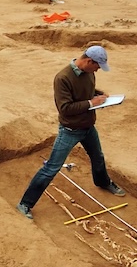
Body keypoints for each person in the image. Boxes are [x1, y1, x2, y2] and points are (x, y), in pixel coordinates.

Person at [16, 46, 126, 220]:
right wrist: (92, 102)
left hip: (88, 127)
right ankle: (25, 203)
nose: (98, 70)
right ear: (89, 61)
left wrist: (99, 95)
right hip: (70, 130)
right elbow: (65, 108)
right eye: (97, 66)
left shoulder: (89, 73)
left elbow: (85, 93)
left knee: (98, 156)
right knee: (51, 168)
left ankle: (103, 182)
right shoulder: (63, 78)